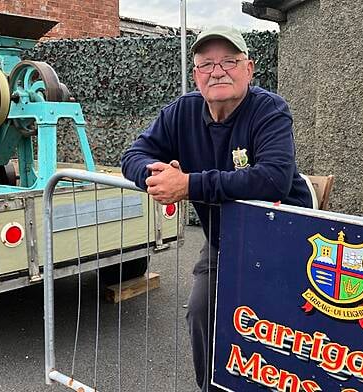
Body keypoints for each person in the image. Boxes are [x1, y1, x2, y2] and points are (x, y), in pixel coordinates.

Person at [121, 26, 312, 391]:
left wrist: (188, 184)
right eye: (206, 64)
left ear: (249, 68)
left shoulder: (270, 109)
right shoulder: (183, 111)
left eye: (229, 61)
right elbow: (133, 155)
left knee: (285, 328)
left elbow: (273, 179)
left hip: (285, 242)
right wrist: (156, 177)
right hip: (225, 240)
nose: (218, 71)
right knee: (201, 312)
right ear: (196, 75)